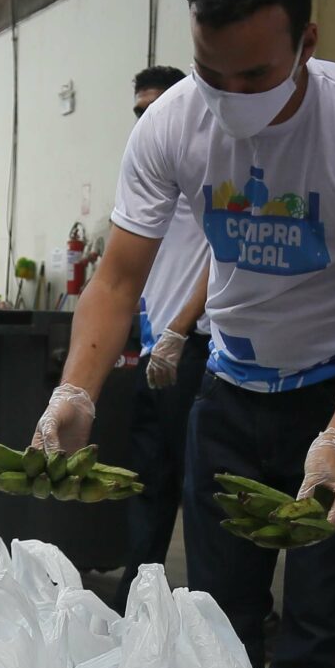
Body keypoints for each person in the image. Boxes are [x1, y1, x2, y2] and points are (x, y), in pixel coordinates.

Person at [32, 0, 335, 668]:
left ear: (307, 45)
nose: (229, 96)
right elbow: (116, 279)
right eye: (210, 72)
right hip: (229, 398)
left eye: (253, 75)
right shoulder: (173, 126)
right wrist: (77, 390)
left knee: (326, 633)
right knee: (214, 627)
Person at [125, 64, 213, 573]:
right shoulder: (147, 180)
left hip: (193, 350)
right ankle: (140, 593)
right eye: (138, 112)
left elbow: (225, 257)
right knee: (147, 479)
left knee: (200, 488)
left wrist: (180, 327)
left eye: (156, 109)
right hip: (151, 350)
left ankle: (225, 604)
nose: (146, 121)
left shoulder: (208, 171)